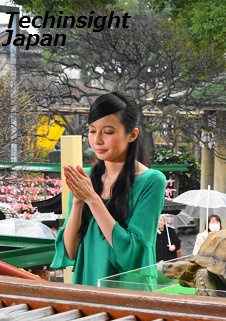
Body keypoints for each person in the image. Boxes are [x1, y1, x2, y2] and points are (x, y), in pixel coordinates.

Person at [50, 91, 166, 287]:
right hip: (88, 288)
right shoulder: (85, 178)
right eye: (92, 130)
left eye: (108, 132)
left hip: (128, 294)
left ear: (132, 134)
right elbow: (70, 251)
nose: (97, 140)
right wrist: (79, 200)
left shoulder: (151, 181)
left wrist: (93, 199)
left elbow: (133, 255)